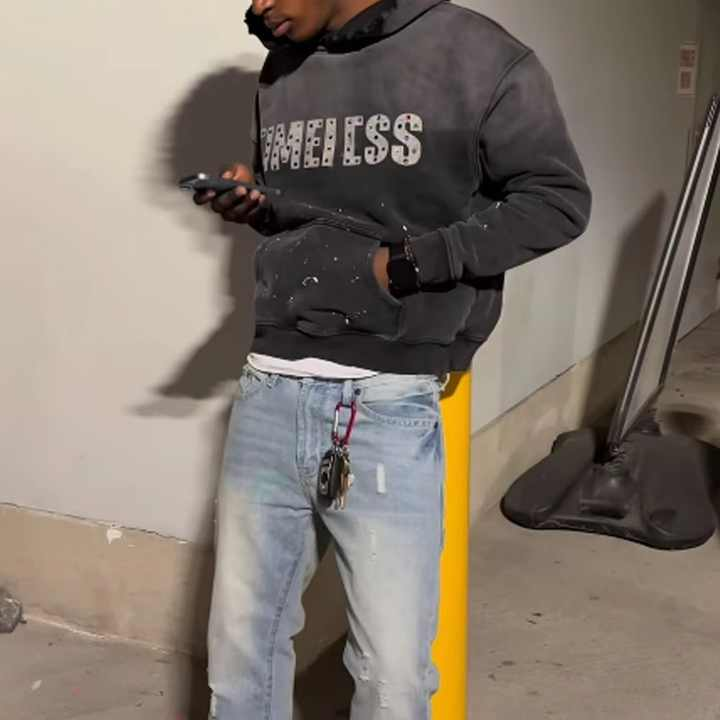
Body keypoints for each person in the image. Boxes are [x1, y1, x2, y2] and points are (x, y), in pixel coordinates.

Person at [193, 1, 592, 718]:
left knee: (394, 679)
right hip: (268, 389)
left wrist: (408, 264)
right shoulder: (283, 64)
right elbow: (313, 212)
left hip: (386, 406)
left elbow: (558, 200)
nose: (255, 6)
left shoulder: (477, 55)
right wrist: (258, 201)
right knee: (238, 661)